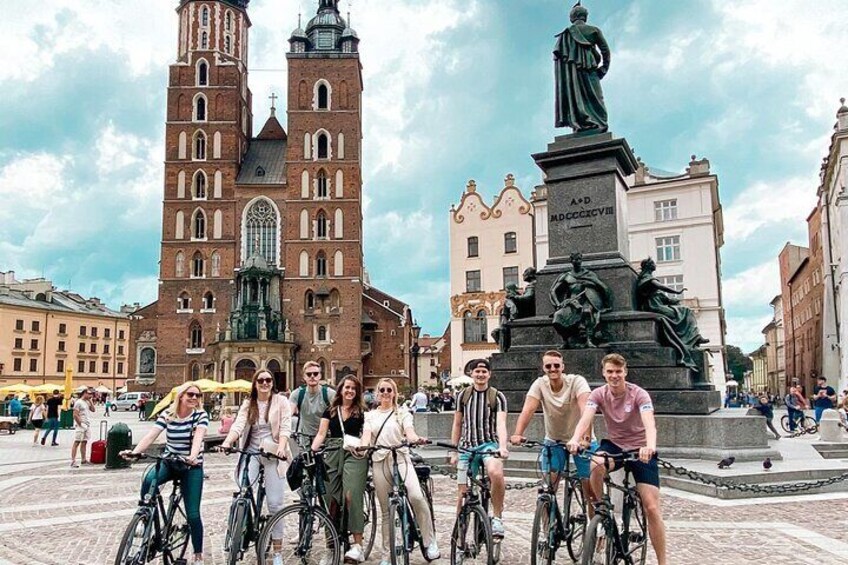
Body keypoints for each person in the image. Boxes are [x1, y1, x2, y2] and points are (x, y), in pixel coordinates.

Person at [567, 353, 667, 565]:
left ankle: (662, 561)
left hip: (640, 448)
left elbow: (650, 424)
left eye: (618, 371)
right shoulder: (598, 394)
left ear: (625, 372)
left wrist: (650, 447)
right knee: (595, 463)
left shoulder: (639, 394)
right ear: (604, 373)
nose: (614, 376)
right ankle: (601, 506)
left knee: (651, 507)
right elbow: (586, 418)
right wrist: (575, 439)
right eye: (610, 371)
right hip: (616, 445)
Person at [121, 382, 209, 565]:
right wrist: (135, 452)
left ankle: (198, 554)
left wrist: (192, 457)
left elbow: (199, 438)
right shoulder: (168, 414)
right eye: (190, 394)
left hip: (190, 466)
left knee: (192, 513)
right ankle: (144, 519)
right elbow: (151, 435)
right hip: (169, 462)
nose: (194, 398)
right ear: (181, 396)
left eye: (198, 396)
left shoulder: (200, 415)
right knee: (148, 480)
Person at [359, 378, 439, 565]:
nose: (386, 393)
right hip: (380, 460)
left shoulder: (402, 412)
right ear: (377, 394)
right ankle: (387, 554)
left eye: (389, 390)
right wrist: (362, 447)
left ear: (394, 393)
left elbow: (409, 431)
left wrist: (414, 438)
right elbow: (366, 436)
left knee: (417, 497)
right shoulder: (370, 415)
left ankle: (429, 541)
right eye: (382, 390)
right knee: (386, 511)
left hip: (401, 458)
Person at [219, 370, 291, 565]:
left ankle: (277, 552)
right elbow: (238, 425)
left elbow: (285, 428)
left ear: (272, 382)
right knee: (243, 491)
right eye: (260, 380)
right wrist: (227, 442)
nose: (265, 383)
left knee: (275, 504)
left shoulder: (281, 401)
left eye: (268, 380)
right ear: (255, 383)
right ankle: (244, 524)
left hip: (273, 452)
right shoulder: (248, 403)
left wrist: (283, 448)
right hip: (251, 452)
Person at [510, 350, 595, 498]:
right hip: (554, 439)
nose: (553, 369)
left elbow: (586, 410)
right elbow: (528, 410)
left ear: (563, 367)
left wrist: (585, 438)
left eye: (556, 365)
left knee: (590, 490)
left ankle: (593, 520)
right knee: (548, 488)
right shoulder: (540, 383)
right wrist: (518, 433)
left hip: (581, 440)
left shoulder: (577, 381)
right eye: (548, 366)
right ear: (544, 368)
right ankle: (546, 520)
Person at [311, 376, 368, 563]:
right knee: (329, 499)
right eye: (347, 387)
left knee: (351, 495)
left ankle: (357, 545)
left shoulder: (362, 412)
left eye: (353, 388)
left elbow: (367, 434)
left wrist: (364, 447)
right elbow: (321, 434)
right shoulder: (331, 411)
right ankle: (331, 545)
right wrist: (312, 451)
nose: (350, 391)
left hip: (354, 453)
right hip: (333, 453)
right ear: (341, 389)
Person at [450, 358, 509, 538]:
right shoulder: (463, 395)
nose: (481, 375)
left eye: (484, 372)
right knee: (462, 493)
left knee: (496, 473)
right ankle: (460, 533)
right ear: (471, 374)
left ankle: (497, 517)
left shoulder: (497, 396)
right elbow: (457, 424)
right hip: (467, 447)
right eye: (477, 371)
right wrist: (454, 450)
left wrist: (503, 446)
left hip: (489, 445)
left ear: (489, 374)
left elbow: (501, 424)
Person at [290, 361, 336, 446]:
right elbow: (289, 413)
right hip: (305, 440)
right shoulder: (297, 394)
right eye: (309, 374)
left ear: (320, 376)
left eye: (315, 374)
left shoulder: (330, 394)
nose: (312, 376)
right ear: (304, 377)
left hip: (326, 440)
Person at [71, 387, 95, 468]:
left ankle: (83, 459)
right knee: (77, 441)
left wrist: (90, 401)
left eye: (91, 394)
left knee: (84, 441)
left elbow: (93, 410)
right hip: (81, 425)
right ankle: (73, 461)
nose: (91, 395)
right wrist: (80, 424)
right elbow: (75, 414)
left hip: (87, 424)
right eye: (89, 394)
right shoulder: (78, 402)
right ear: (84, 393)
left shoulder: (87, 402)